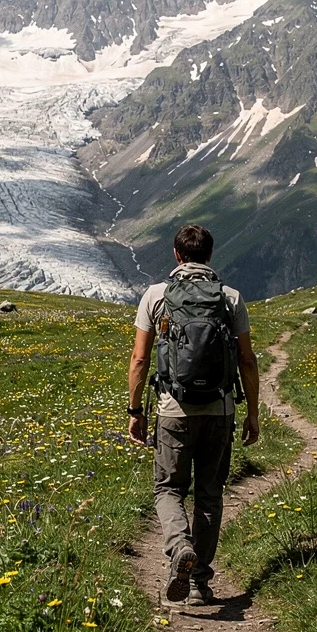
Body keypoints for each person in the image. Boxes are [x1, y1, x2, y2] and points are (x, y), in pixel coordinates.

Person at [127, 224, 261, 605]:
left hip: (173, 409)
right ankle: (200, 581)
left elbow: (139, 359)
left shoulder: (156, 296)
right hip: (220, 411)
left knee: (168, 487)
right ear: (210, 256)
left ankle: (179, 547)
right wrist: (252, 413)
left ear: (176, 255)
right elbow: (247, 361)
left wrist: (135, 409)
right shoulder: (230, 298)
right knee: (209, 493)